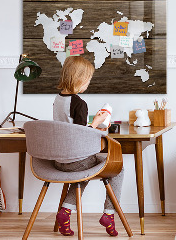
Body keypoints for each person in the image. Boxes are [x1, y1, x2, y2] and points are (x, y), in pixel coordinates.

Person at [53, 56, 124, 237]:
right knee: (118, 168)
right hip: (76, 160)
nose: (88, 84)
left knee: (83, 172)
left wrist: (94, 124)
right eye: (88, 80)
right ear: (79, 79)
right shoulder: (79, 103)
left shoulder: (58, 99)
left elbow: (70, 128)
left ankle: (65, 212)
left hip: (59, 160)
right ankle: (109, 214)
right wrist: (98, 122)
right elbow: (81, 135)